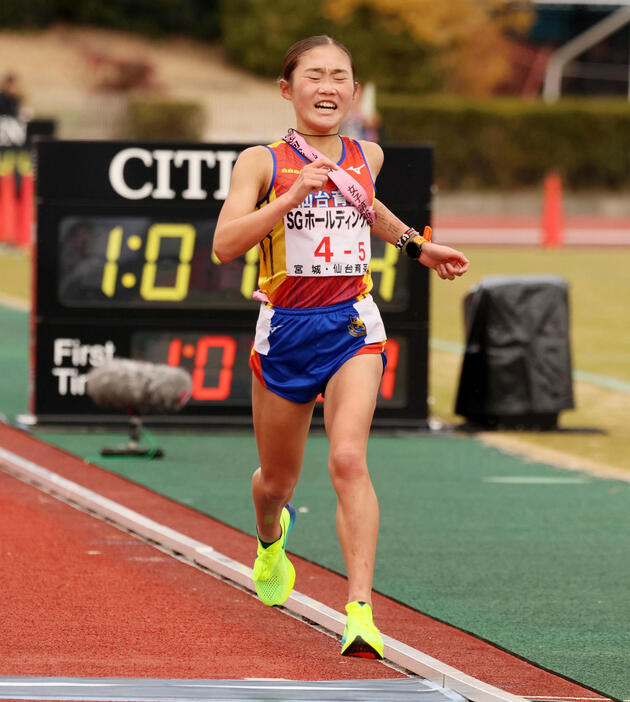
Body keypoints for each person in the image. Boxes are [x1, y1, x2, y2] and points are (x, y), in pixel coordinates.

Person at [213, 35, 469, 659]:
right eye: (314, 76)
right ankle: (271, 539)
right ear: (287, 89)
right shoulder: (260, 162)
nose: (327, 87)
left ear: (353, 92)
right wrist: (292, 197)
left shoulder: (367, 154)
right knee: (277, 481)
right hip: (285, 333)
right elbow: (225, 245)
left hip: (353, 323)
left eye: (340, 78)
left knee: (349, 459)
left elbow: (368, 208)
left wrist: (416, 244)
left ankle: (360, 612)